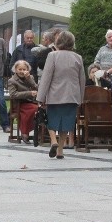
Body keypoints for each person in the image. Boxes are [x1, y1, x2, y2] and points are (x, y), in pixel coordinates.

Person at [37, 30, 85, 158]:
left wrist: (40, 97)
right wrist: (81, 98)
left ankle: (53, 141)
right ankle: (61, 151)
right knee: (67, 123)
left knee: (51, 119)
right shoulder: (78, 57)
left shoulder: (53, 56)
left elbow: (46, 77)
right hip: (72, 95)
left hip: (55, 94)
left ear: (58, 42)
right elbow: (82, 79)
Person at [7, 60, 38, 144]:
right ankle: (25, 132)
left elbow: (36, 88)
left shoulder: (30, 77)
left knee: (41, 109)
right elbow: (13, 94)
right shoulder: (12, 80)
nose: (22, 71)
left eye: (24, 69)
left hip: (30, 102)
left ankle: (41, 133)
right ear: (15, 69)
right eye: (20, 69)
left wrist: (29, 79)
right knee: (33, 109)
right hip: (18, 104)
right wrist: (29, 93)